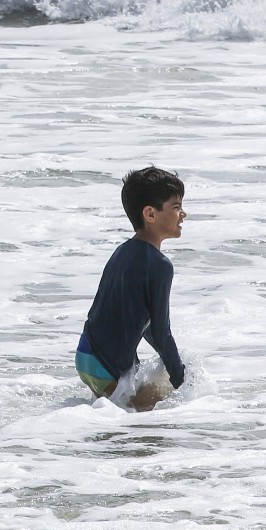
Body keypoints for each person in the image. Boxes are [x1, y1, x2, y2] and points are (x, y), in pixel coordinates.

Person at [76, 166, 188, 408]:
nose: (183, 214)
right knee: (149, 408)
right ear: (150, 214)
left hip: (86, 355)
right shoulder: (160, 265)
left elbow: (142, 323)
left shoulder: (123, 252)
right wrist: (183, 382)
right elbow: (161, 331)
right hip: (107, 364)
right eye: (176, 207)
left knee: (109, 415)